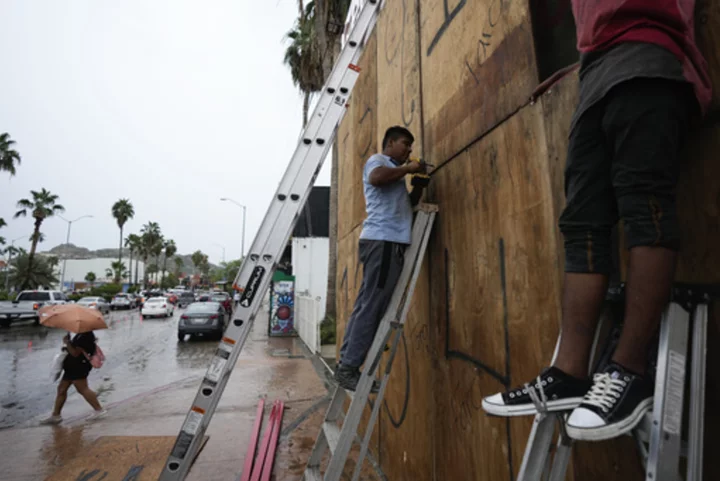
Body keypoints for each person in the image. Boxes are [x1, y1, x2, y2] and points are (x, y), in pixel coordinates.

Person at [482, 1, 710, 441]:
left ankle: (629, 370)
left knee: (646, 208)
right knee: (582, 226)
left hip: (647, 55)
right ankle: (569, 373)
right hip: (593, 74)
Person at [334, 126, 428, 391]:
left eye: (411, 145)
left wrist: (418, 187)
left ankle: (346, 364)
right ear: (390, 143)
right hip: (384, 242)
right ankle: (350, 368)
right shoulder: (379, 161)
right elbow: (376, 178)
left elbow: (404, 209)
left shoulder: (394, 174)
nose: (409, 149)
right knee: (373, 305)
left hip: (385, 241)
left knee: (367, 304)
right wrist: (409, 169)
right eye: (405, 144)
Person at [41, 332, 107, 424]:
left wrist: (67, 342)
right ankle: (56, 415)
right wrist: (67, 346)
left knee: (83, 389)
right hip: (71, 367)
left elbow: (75, 353)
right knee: (61, 389)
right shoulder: (80, 335)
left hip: (79, 366)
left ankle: (99, 410)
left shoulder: (86, 335)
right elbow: (73, 350)